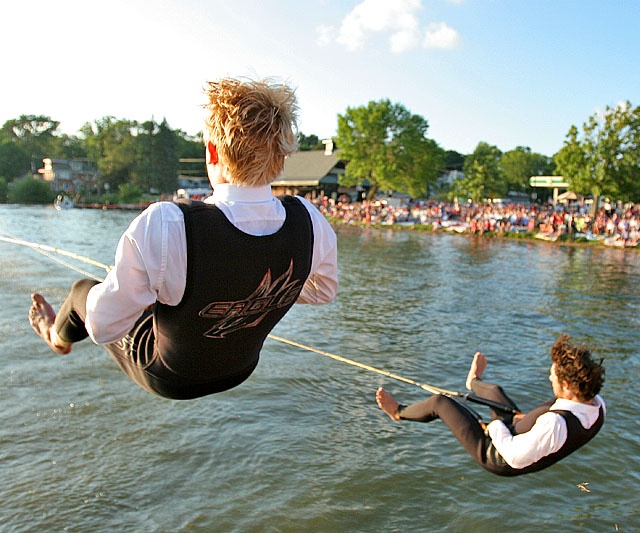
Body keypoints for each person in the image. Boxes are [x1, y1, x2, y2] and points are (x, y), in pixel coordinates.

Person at [28, 77, 338, 400]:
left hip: (170, 376)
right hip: (241, 368)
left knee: (82, 292)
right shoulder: (309, 220)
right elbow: (324, 290)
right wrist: (255, 297)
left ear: (212, 152)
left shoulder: (168, 224)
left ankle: (56, 336)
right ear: (281, 158)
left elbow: (104, 327)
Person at [376, 335, 605, 477]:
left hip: (497, 454)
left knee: (441, 402)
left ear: (566, 384)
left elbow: (515, 458)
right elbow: (551, 427)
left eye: (552, 376)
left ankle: (397, 412)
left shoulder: (554, 423)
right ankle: (473, 382)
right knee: (494, 392)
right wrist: (523, 420)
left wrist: (495, 426)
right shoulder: (596, 404)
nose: (549, 378)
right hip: (517, 432)